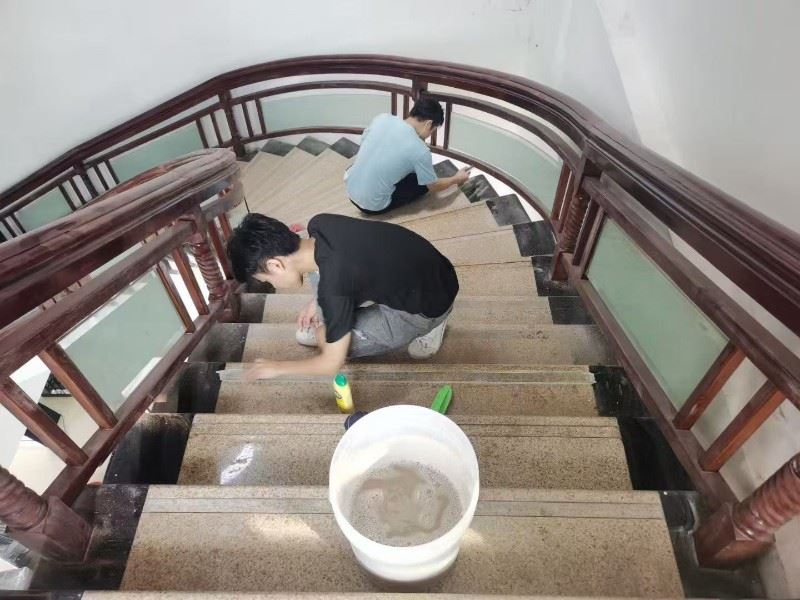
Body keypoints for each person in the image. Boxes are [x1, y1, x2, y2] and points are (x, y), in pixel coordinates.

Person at [226, 212, 459, 380]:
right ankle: (331, 323)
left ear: (275, 265)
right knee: (327, 297)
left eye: (267, 280)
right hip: (437, 271)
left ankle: (434, 325)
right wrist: (317, 302)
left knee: (331, 341)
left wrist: (277, 367)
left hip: (429, 306)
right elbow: (339, 270)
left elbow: (330, 364)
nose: (272, 284)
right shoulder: (320, 224)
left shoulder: (334, 289)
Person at [346, 97, 471, 215]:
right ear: (429, 124)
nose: (430, 134)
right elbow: (433, 186)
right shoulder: (420, 150)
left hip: (349, 190)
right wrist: (456, 179)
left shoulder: (382, 118)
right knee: (421, 183)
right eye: (433, 130)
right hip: (372, 206)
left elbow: (364, 144)